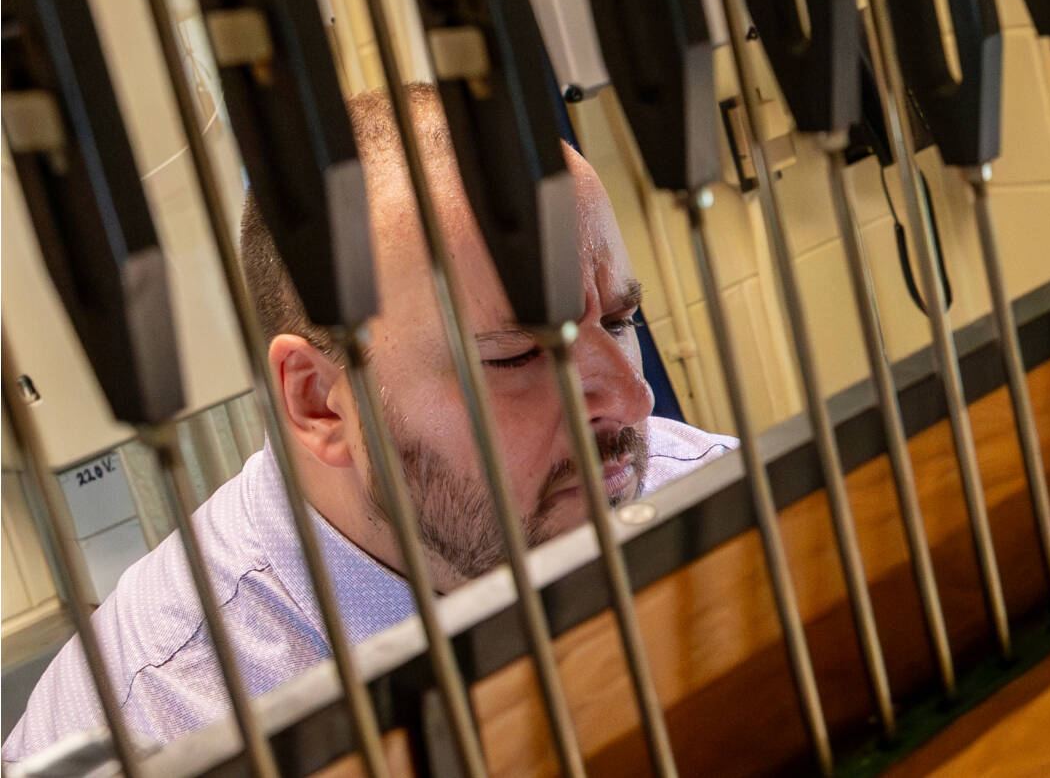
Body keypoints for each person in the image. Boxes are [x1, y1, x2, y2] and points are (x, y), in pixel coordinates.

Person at [3, 83, 733, 764]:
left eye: (620, 318)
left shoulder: (713, 502)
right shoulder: (165, 724)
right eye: (518, 356)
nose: (635, 402)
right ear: (321, 401)